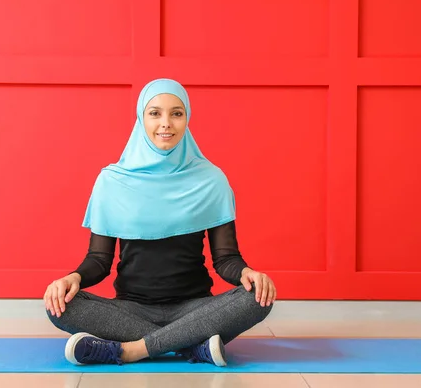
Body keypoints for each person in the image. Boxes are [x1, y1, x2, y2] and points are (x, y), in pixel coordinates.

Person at [44, 78, 276, 367]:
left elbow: (225, 258)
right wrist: (72, 278)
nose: (166, 123)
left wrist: (246, 273)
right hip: (130, 309)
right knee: (59, 306)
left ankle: (130, 350)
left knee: (257, 297)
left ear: (186, 119)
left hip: (195, 307)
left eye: (176, 113)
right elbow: (99, 260)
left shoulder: (211, 179)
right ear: (141, 118)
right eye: (155, 113)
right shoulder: (112, 181)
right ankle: (193, 346)